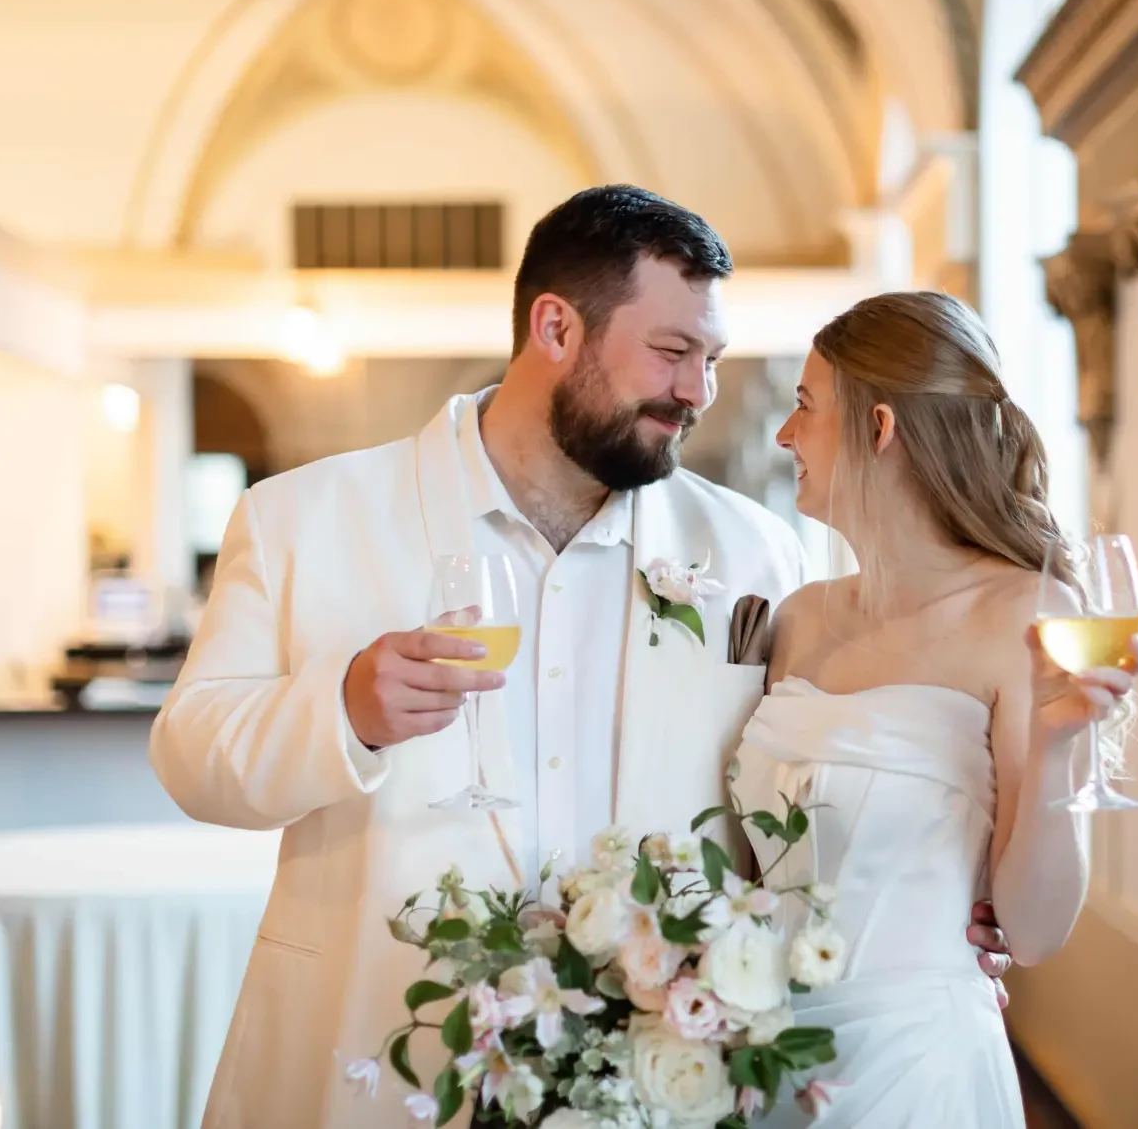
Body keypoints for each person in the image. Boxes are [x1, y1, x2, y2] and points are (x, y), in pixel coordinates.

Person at [148, 186, 1010, 1128]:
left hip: (651, 1074)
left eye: (711, 358)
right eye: (674, 352)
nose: (699, 392)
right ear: (555, 326)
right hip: (376, 1046)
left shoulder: (759, 552)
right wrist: (342, 710)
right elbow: (192, 758)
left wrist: (919, 920)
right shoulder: (303, 519)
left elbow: (807, 792)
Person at [732, 290, 1138, 1128]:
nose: (784, 434)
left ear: (879, 428)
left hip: (917, 1069)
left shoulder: (1027, 611)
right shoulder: (800, 615)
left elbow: (1029, 933)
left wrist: (1062, 745)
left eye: (806, 407)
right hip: (762, 1058)